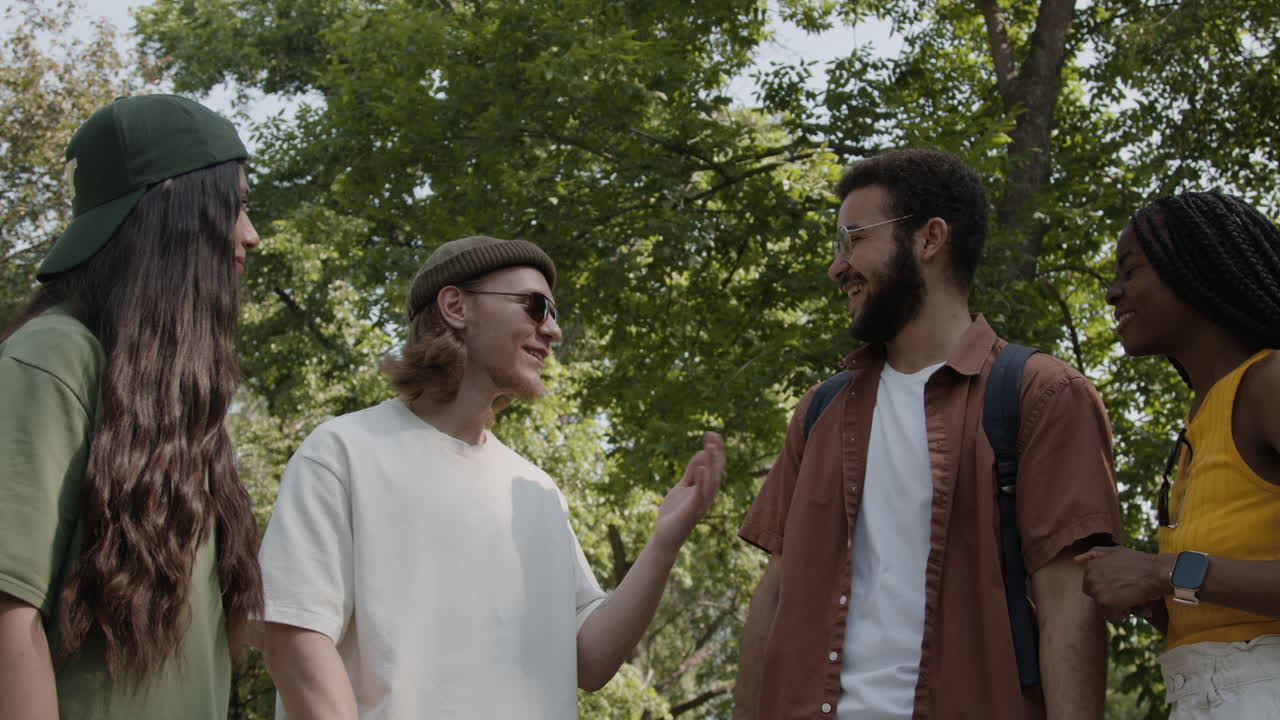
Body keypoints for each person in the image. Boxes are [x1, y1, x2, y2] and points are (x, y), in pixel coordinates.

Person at [256, 235, 724, 719]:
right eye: (536, 307)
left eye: (554, 314)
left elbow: (589, 660)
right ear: (456, 306)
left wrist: (664, 543)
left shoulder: (537, 491)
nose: (553, 330)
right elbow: (295, 638)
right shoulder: (342, 452)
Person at [734, 148, 1123, 720]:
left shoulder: (1042, 395)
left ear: (930, 238)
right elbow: (773, 597)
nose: (837, 267)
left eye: (854, 239)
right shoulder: (821, 411)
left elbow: (1070, 605)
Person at [0, 95, 263, 719]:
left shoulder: (175, 411)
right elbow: (8, 623)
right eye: (233, 205)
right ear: (171, 214)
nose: (250, 234)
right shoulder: (53, 358)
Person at [1077, 190, 1280, 719]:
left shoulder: (1271, 382)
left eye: (1131, 271)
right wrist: (1160, 602)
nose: (1112, 294)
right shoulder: (1203, 417)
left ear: (1200, 266)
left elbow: (1186, 573)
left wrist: (1163, 572)